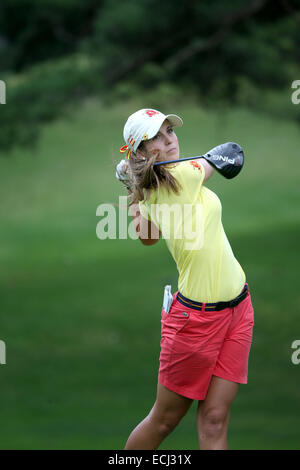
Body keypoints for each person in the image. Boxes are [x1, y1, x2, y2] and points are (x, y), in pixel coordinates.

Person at [115, 108, 254, 450]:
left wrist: (136, 192)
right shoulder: (180, 176)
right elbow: (228, 158)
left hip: (239, 309)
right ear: (142, 152)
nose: (170, 140)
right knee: (163, 420)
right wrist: (224, 151)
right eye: (158, 137)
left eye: (170, 132)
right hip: (196, 322)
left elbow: (147, 236)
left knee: (215, 419)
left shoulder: (159, 182)